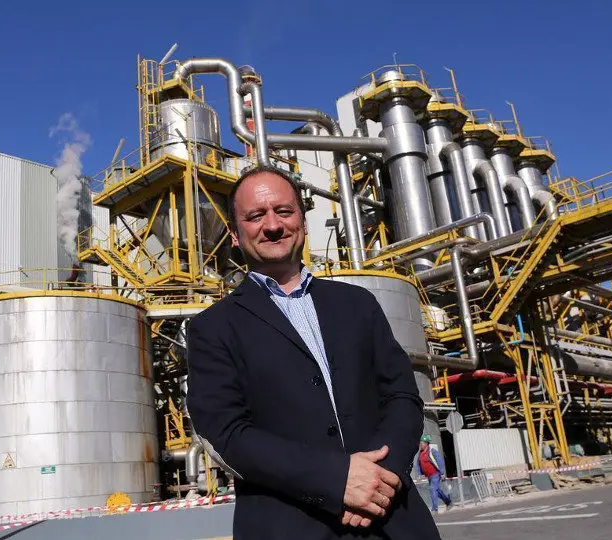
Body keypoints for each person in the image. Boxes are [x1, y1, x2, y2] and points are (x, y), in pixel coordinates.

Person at [186, 165, 440, 539]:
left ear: (303, 223)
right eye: (255, 216)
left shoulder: (358, 304)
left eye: (284, 211)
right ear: (235, 235)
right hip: (291, 526)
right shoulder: (212, 327)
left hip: (393, 520)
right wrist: (338, 480)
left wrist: (379, 478)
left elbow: (402, 395)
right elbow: (228, 433)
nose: (272, 225)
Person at [415, 435, 452, 514]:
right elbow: (418, 464)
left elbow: (440, 462)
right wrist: (419, 475)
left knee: (432, 489)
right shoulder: (420, 453)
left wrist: (442, 473)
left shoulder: (432, 451)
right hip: (429, 476)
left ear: (427, 443)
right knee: (437, 490)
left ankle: (435, 509)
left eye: (422, 443)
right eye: (420, 443)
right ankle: (448, 502)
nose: (420, 444)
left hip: (435, 474)